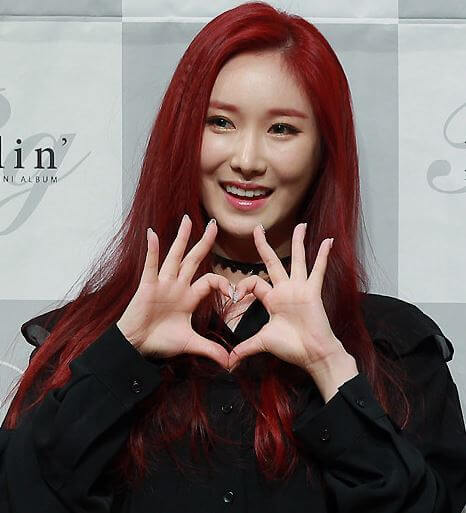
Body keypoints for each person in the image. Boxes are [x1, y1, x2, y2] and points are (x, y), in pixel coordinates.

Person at [1, 2, 466, 512]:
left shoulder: (395, 348)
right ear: (183, 135)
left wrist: (329, 365)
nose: (246, 160)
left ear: (323, 152)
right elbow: (19, 495)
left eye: (282, 129)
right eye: (220, 122)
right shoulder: (87, 338)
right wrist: (121, 354)